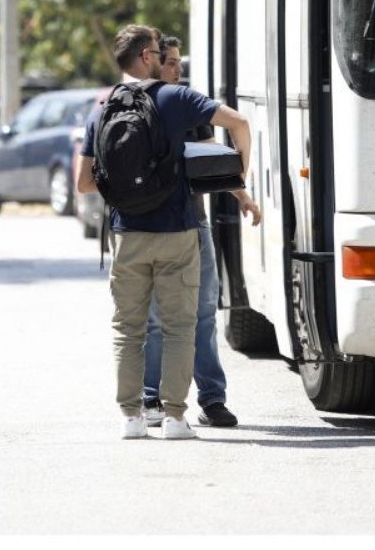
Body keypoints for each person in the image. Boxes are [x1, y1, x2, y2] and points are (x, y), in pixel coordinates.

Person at [76, 24, 253, 440]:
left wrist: (125, 187)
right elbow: (239, 123)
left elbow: (84, 184)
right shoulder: (176, 98)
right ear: (144, 57)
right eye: (157, 51)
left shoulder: (101, 110)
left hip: (126, 235)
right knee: (180, 325)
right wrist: (236, 175)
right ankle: (175, 417)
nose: (163, 57)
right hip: (177, 231)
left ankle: (132, 418)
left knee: (128, 328)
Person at [141, 36, 261, 429]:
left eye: (179, 62)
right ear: (154, 64)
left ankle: (212, 399)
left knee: (205, 312)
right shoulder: (144, 105)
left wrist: (243, 195)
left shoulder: (189, 103)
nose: (178, 68)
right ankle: (151, 398)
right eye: (171, 62)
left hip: (196, 223)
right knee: (158, 318)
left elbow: (213, 158)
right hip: (154, 227)